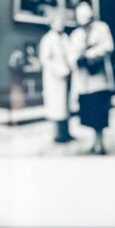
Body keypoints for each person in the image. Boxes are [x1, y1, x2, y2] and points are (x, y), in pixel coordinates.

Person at [70, 2, 114, 155]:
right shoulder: (76, 34)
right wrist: (79, 56)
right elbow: (72, 56)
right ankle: (94, 141)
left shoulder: (102, 28)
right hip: (85, 82)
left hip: (100, 81)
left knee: (101, 113)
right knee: (90, 114)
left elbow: (108, 47)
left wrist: (90, 53)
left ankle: (100, 142)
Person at [38, 13, 73, 143]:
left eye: (62, 22)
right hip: (54, 78)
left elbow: (70, 54)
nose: (61, 24)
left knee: (66, 106)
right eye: (58, 22)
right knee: (56, 106)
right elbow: (45, 59)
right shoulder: (47, 39)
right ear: (52, 23)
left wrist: (70, 67)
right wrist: (59, 70)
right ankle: (58, 135)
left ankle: (67, 132)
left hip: (67, 75)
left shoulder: (65, 38)